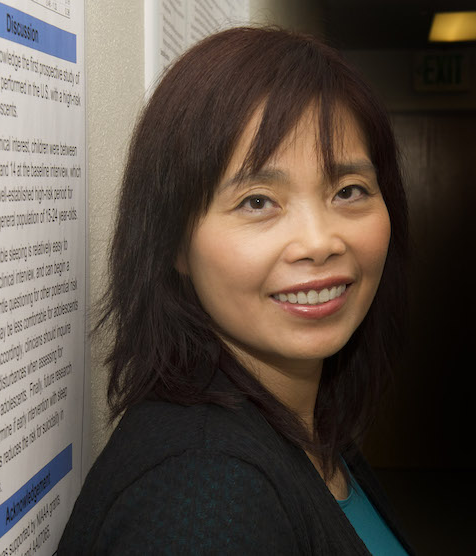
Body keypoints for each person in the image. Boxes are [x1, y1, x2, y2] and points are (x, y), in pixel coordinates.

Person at [58, 27, 413, 555]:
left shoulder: (307, 424)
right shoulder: (201, 493)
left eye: (348, 191)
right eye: (257, 202)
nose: (319, 242)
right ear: (174, 242)